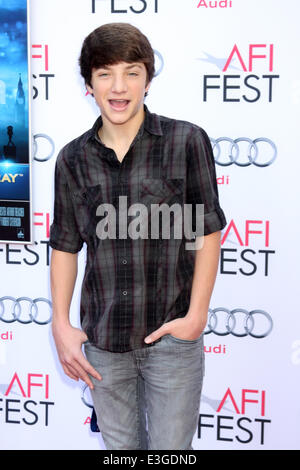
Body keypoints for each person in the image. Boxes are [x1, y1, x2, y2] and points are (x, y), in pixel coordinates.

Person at [49, 22, 226, 450]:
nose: (119, 86)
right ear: (88, 83)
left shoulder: (186, 141)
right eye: (105, 73)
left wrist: (197, 316)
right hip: (104, 344)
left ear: (148, 79)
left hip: (172, 340)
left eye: (132, 72)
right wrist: (61, 323)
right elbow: (65, 246)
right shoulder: (72, 158)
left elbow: (208, 232)